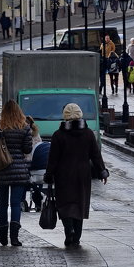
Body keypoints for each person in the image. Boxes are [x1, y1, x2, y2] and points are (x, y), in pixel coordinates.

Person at [44, 103, 108, 247]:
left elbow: (52, 159)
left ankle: (69, 230)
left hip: (63, 175)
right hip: (82, 175)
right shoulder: (88, 134)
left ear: (65, 116)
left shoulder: (58, 135)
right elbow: (96, 156)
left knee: (65, 204)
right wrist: (102, 171)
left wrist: (49, 175)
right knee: (80, 204)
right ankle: (77, 237)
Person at [0, 99, 33, 246]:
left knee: (2, 204)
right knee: (15, 204)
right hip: (19, 170)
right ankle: (14, 237)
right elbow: (27, 149)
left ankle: (2, 235)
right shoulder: (25, 127)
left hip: (1, 170)